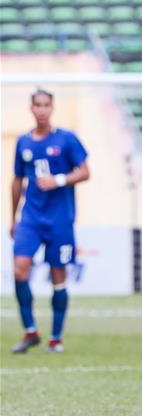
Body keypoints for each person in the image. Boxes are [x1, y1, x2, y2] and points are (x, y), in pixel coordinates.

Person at [10, 89, 90, 354]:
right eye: (37, 105)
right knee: (20, 269)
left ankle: (55, 338)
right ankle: (30, 331)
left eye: (46, 105)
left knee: (58, 277)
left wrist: (59, 179)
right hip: (30, 218)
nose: (42, 110)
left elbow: (85, 171)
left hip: (59, 221)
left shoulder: (66, 139)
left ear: (52, 108)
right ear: (31, 108)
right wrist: (13, 217)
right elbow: (17, 180)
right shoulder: (23, 142)